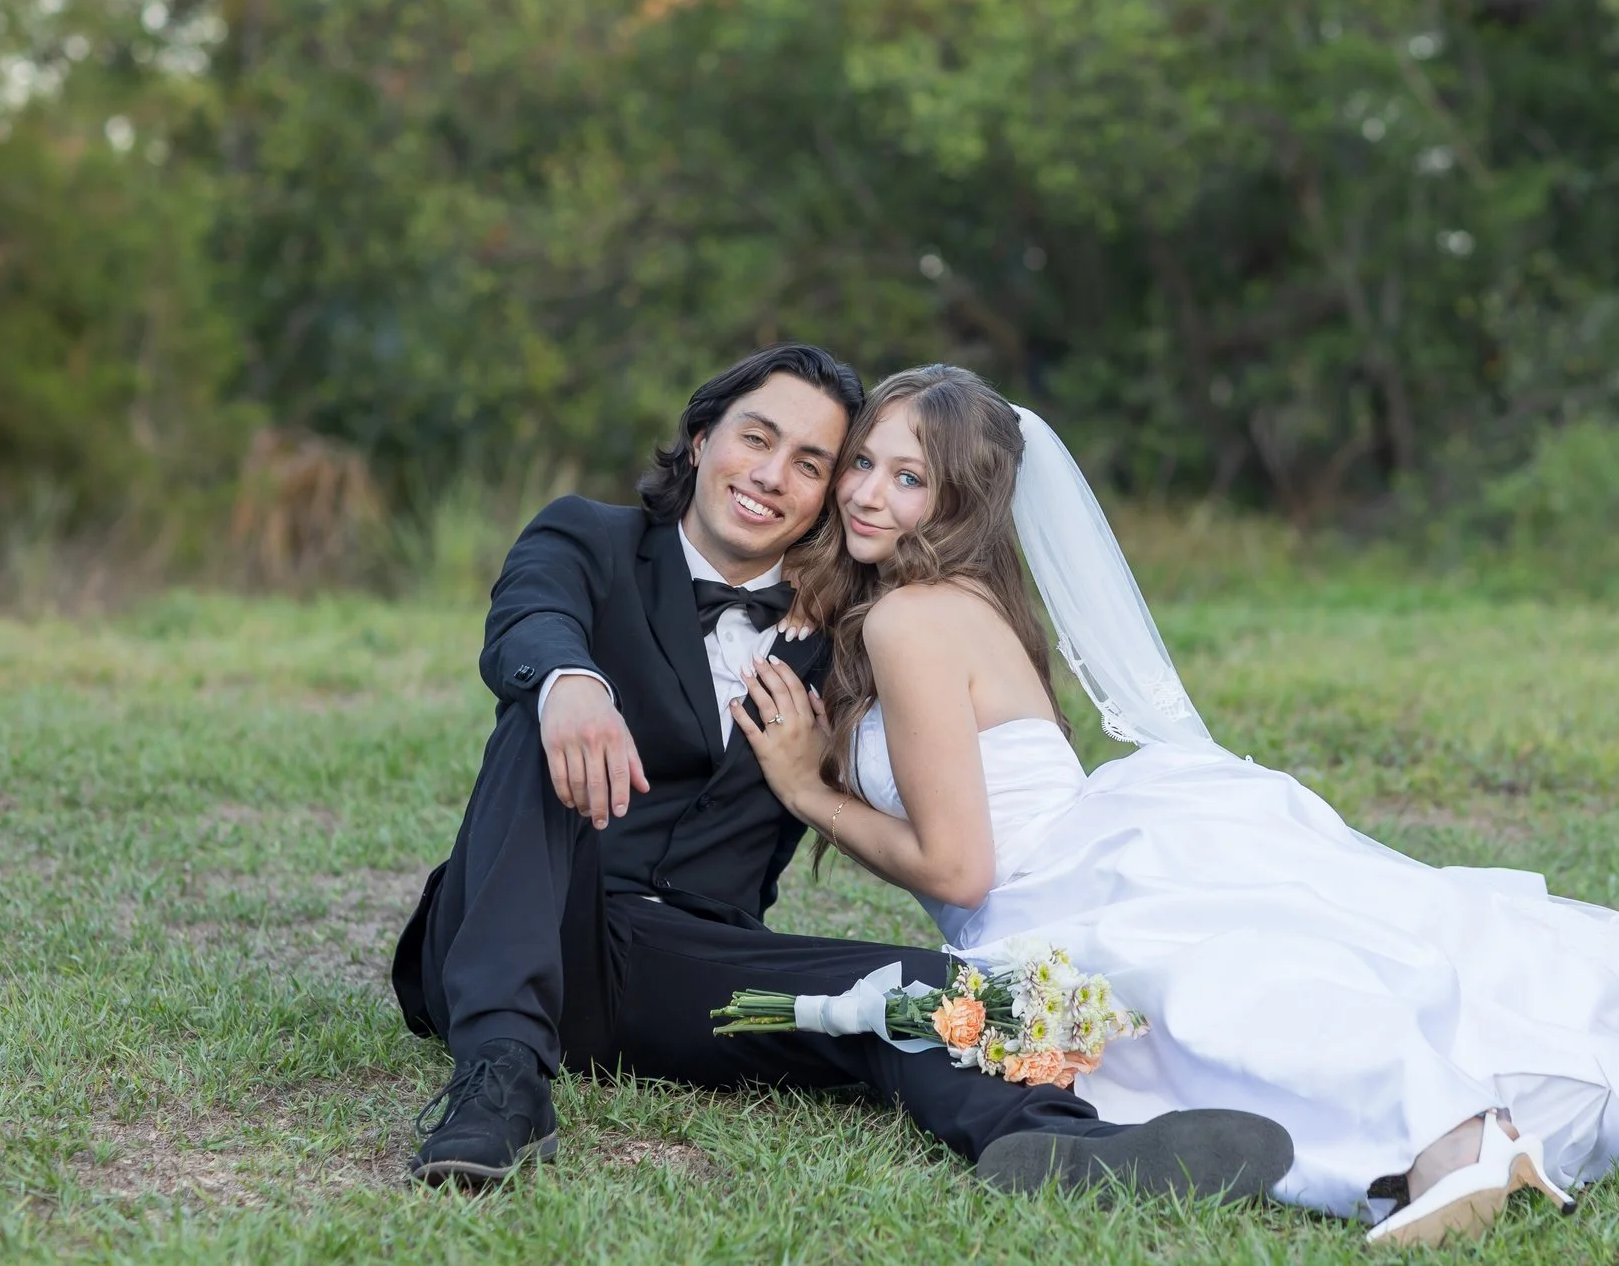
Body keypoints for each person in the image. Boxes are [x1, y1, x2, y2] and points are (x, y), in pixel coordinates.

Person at [731, 364, 1619, 1248]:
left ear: (960, 497)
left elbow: (960, 866)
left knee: (1221, 1002)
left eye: (908, 474)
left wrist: (804, 790)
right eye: (865, 463)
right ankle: (1457, 1134)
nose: (870, 491)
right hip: (1101, 849)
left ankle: (1456, 1137)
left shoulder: (909, 620)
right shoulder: (948, 601)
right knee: (1212, 1019)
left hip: (1054, 885)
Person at [388, 342, 1292, 1197]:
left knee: (905, 991)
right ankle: (501, 1080)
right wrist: (569, 681)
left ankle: (1062, 1140)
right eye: (756, 437)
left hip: (684, 969)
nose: (773, 474)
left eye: (813, 461)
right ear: (703, 439)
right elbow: (529, 618)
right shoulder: (587, 539)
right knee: (539, 714)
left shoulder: (851, 633)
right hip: (525, 928)